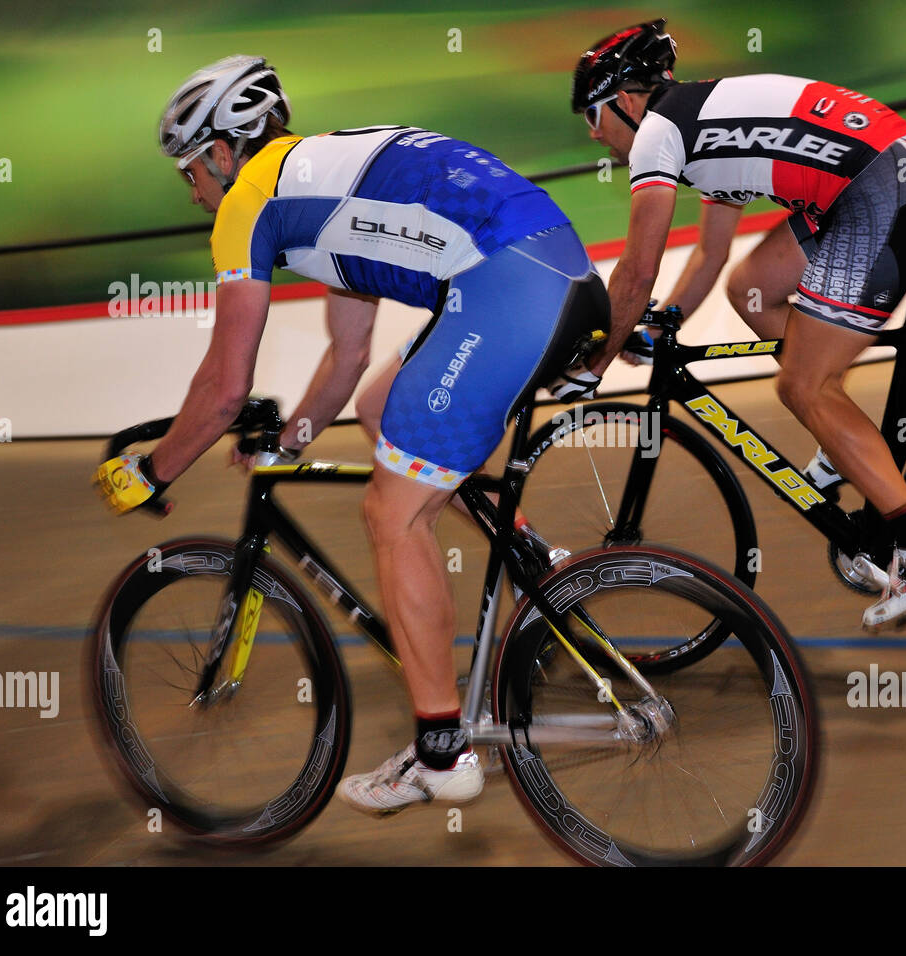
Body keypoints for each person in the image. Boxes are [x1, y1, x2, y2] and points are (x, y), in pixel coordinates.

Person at [95, 55, 607, 815]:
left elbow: (223, 386)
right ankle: (528, 548)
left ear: (224, 151)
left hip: (507, 291)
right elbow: (348, 356)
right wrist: (291, 444)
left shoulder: (250, 203)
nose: (195, 190)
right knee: (378, 408)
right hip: (556, 276)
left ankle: (441, 752)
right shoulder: (320, 178)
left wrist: (151, 472)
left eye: (191, 171)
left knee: (392, 513)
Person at [571, 20, 906, 628]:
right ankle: (842, 443)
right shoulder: (701, 122)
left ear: (623, 101)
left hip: (881, 192)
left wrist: (596, 361)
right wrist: (663, 326)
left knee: (801, 387)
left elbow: (637, 267)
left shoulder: (658, 133)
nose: (596, 140)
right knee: (751, 292)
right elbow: (710, 257)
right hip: (885, 180)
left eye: (593, 120)